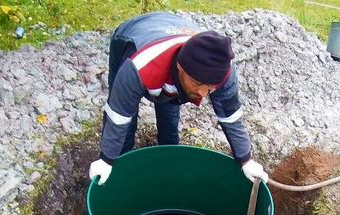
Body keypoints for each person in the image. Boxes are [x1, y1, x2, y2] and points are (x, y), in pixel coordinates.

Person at [88, 12, 268, 185]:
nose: (204, 93)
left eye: (211, 87)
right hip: (131, 36)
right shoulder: (138, 67)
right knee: (126, 122)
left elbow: (231, 116)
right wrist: (107, 159)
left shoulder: (222, 72)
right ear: (180, 68)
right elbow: (118, 114)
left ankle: (167, 166)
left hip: (174, 31)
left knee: (170, 110)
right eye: (198, 83)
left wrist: (246, 160)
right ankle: (121, 170)